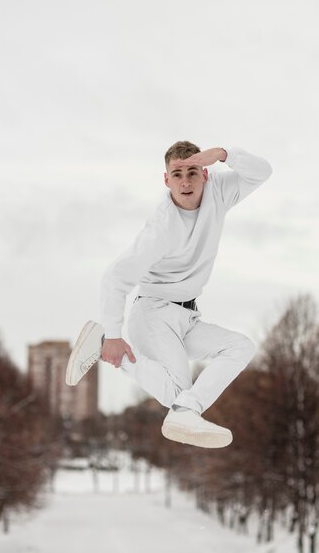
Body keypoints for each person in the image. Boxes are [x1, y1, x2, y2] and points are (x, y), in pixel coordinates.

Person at [66, 142, 272, 449]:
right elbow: (115, 277)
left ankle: (188, 410)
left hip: (187, 317)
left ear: (205, 173)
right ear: (166, 180)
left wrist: (224, 155)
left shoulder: (218, 192)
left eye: (192, 172)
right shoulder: (162, 228)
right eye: (177, 174)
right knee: (178, 393)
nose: (186, 182)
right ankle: (102, 345)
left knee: (239, 347)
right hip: (153, 314)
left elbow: (262, 172)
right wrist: (112, 334)